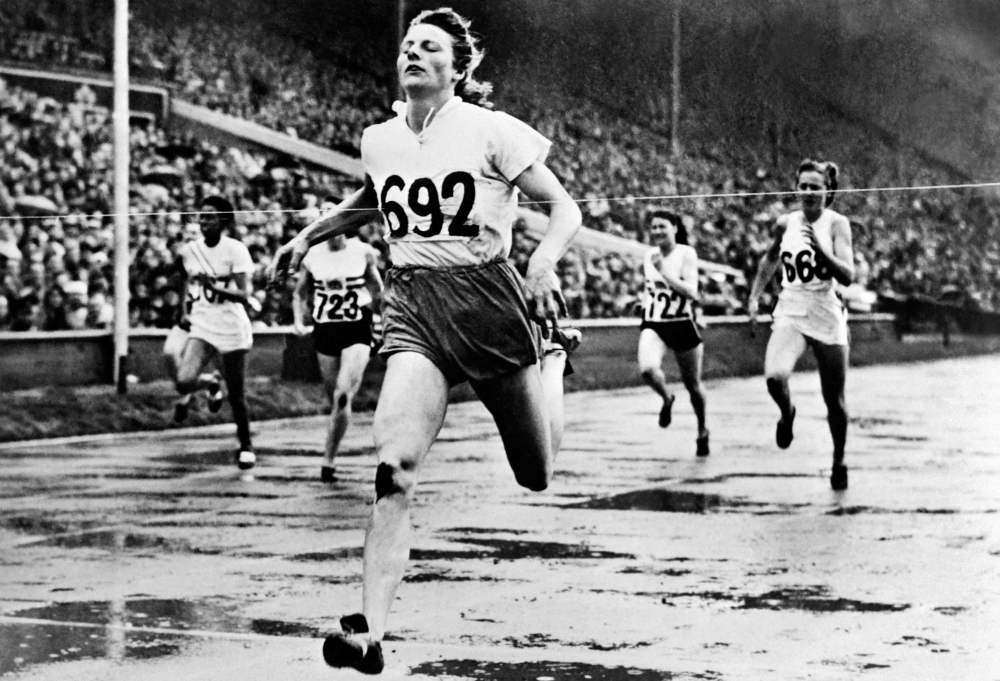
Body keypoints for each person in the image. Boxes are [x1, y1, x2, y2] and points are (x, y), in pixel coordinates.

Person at [267, 8, 581, 673]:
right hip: (414, 304)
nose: (412, 53)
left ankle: (552, 361)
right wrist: (306, 236)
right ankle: (369, 632)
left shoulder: (491, 129)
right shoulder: (378, 138)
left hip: (488, 302)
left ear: (458, 67)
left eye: (428, 46)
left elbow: (565, 207)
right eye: (407, 44)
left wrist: (543, 262)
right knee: (394, 468)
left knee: (536, 474)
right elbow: (371, 199)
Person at [748, 159, 855, 491]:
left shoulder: (837, 224)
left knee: (834, 400)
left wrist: (821, 250)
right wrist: (754, 296)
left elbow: (848, 275)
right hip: (792, 309)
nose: (808, 192)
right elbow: (770, 258)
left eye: (815, 187)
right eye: (803, 186)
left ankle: (839, 459)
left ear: (827, 191)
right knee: (774, 377)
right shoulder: (786, 223)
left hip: (826, 313)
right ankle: (787, 413)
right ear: (796, 188)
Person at [171, 195, 258, 470]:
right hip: (203, 323)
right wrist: (184, 310)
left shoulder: (235, 250)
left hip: (230, 326)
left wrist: (215, 287)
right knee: (183, 381)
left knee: (237, 394)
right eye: (202, 216)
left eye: (210, 217)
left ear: (224, 221)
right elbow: (185, 282)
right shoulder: (190, 250)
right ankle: (210, 383)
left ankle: (246, 445)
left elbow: (245, 294)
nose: (204, 221)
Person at [293, 229, 384, 483]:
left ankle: (328, 459)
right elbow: (299, 292)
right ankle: (333, 448)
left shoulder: (362, 251)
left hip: (357, 327)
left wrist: (382, 321)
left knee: (343, 395)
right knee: (334, 399)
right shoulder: (312, 255)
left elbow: (378, 289)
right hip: (326, 329)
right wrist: (299, 320)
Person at [637, 209, 709, 456]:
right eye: (654, 227)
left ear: (675, 228)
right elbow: (651, 287)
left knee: (693, 385)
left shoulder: (686, 253)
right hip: (655, 322)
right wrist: (643, 302)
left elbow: (691, 292)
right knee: (647, 369)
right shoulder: (649, 255)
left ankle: (702, 429)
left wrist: (664, 272)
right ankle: (667, 398)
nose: (657, 231)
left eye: (662, 226)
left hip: (680, 324)